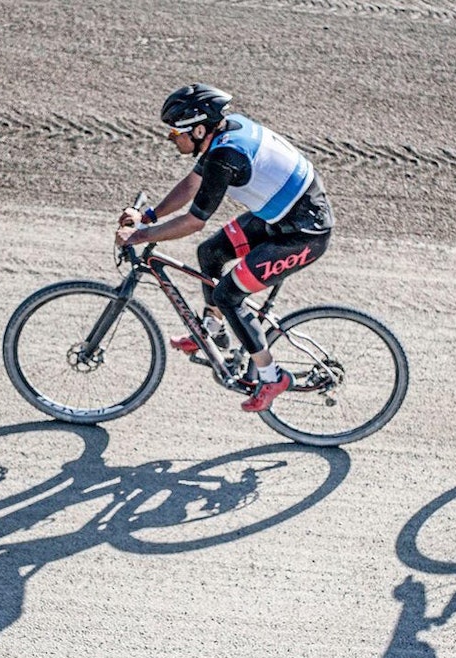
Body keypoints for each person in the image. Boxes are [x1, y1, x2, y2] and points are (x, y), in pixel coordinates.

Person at [115, 84, 335, 412]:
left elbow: (194, 221)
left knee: (228, 295)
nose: (171, 138)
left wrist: (141, 236)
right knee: (210, 254)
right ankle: (214, 333)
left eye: (175, 131)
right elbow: (192, 184)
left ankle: (272, 375)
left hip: (305, 233)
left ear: (199, 129)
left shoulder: (224, 156)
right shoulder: (225, 133)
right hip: (283, 217)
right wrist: (148, 217)